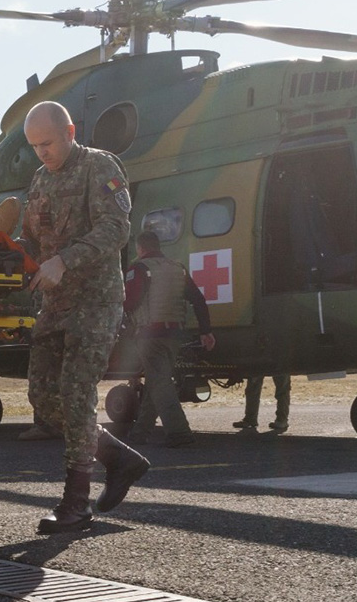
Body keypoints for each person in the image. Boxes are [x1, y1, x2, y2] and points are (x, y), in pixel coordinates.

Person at [21, 101, 149, 534]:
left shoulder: (100, 166)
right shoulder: (39, 180)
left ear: (70, 131)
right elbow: (30, 239)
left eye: (48, 143)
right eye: (35, 146)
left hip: (95, 303)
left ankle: (75, 505)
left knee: (76, 395)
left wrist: (65, 261)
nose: (42, 152)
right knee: (44, 400)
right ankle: (118, 458)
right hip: (54, 307)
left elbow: (116, 228)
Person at [123, 230, 216, 447]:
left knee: (161, 383)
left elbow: (130, 302)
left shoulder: (138, 268)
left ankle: (179, 432)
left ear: (140, 248)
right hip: (174, 335)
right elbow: (198, 300)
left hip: (149, 334)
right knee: (158, 380)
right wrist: (206, 331)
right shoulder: (178, 268)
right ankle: (140, 432)